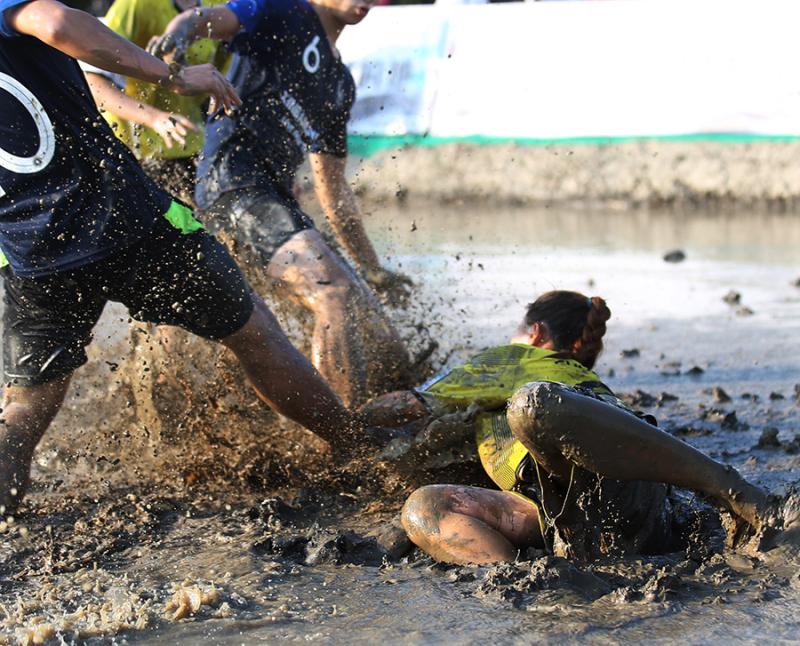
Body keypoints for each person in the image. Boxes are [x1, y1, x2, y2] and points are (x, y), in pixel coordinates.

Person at [0, 0, 366, 515]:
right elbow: (57, 23)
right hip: (129, 217)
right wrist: (171, 75)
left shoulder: (333, 75)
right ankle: (357, 446)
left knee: (22, 410)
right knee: (254, 334)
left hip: (35, 250)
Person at [361, 291, 781, 564]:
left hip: (621, 486)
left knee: (533, 404)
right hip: (568, 514)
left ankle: (736, 491)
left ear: (535, 332)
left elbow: (404, 407)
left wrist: (349, 414)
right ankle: (524, 577)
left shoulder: (515, 358)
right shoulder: (582, 380)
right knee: (425, 507)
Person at [149, 0, 413, 406]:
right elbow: (204, 19)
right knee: (333, 293)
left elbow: (333, 189)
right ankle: (343, 440)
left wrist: (372, 268)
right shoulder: (285, 11)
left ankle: (389, 409)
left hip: (275, 201)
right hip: (233, 184)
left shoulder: (340, 82)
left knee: (378, 328)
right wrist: (179, 39)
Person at [83, 0, 229, 204]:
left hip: (189, 144)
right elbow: (93, 84)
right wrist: (155, 118)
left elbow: (221, 82)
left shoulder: (217, 7)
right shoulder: (135, 6)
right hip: (132, 150)